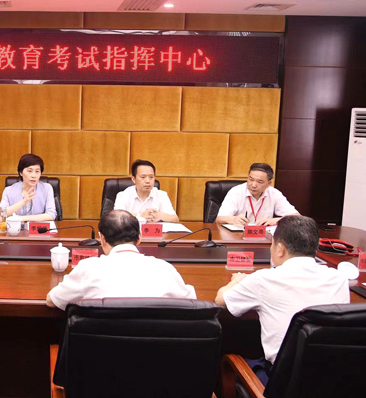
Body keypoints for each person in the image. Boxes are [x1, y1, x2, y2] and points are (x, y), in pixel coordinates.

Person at [215, 215, 349, 385]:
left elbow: (220, 300)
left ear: (279, 249)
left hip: (282, 382)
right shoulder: (339, 279)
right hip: (331, 380)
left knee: (228, 364)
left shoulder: (264, 279)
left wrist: (236, 281)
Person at [46, 210, 196, 310]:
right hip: (152, 348)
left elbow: (52, 301)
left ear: (102, 239)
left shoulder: (88, 268)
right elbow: (191, 302)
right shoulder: (164, 269)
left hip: (100, 349)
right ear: (139, 238)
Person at [216, 163, 299, 226]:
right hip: (238, 236)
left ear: (269, 183)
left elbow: (297, 218)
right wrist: (233, 219)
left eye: (260, 182)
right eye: (251, 179)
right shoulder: (236, 192)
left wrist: (274, 221)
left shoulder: (274, 194)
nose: (253, 185)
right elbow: (219, 219)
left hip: (263, 236)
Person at [113, 159, 178, 222]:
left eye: (151, 177)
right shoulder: (123, 196)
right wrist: (140, 216)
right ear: (133, 179)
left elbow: (175, 219)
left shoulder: (161, 195)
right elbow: (118, 219)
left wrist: (159, 216)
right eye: (143, 177)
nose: (148, 181)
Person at [0, 153, 57, 222]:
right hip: (16, 228)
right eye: (29, 171)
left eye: (37, 171)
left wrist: (22, 218)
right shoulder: (9, 191)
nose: (33, 175)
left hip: (38, 228)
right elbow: (1, 215)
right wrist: (23, 202)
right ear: (21, 172)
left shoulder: (47, 188)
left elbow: (51, 215)